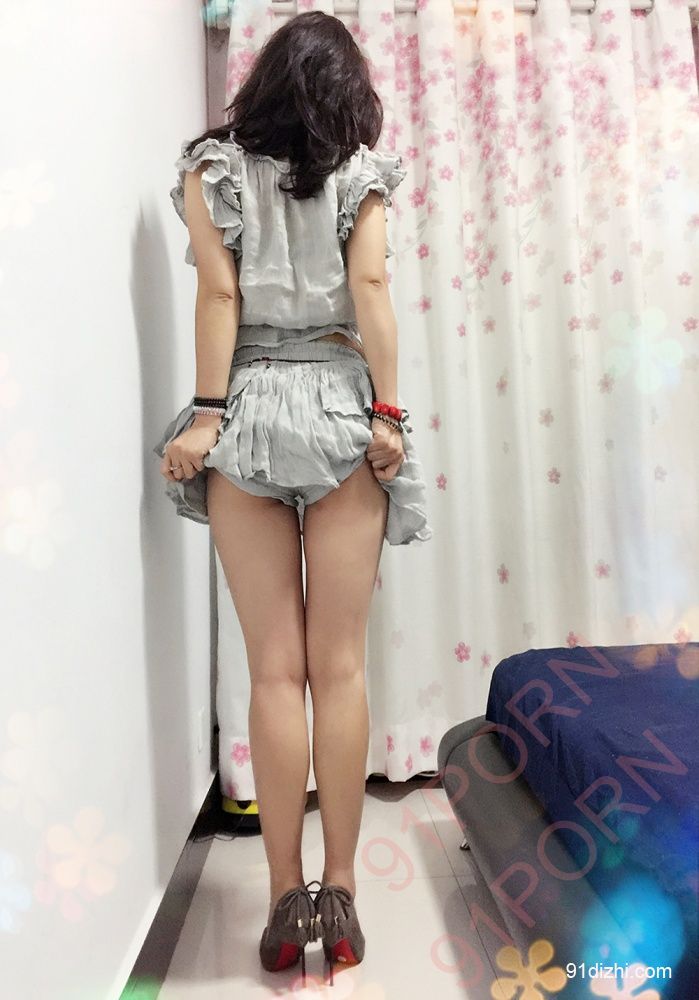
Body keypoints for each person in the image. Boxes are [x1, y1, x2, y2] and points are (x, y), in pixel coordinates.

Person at [152, 10, 432, 987]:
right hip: (343, 414)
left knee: (274, 673)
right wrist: (388, 415)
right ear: (348, 91)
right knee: (338, 669)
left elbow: (219, 298)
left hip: (247, 417)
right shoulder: (361, 174)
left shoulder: (213, 170)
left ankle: (283, 896)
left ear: (263, 80)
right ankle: (342, 893)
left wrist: (204, 417)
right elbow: (372, 288)